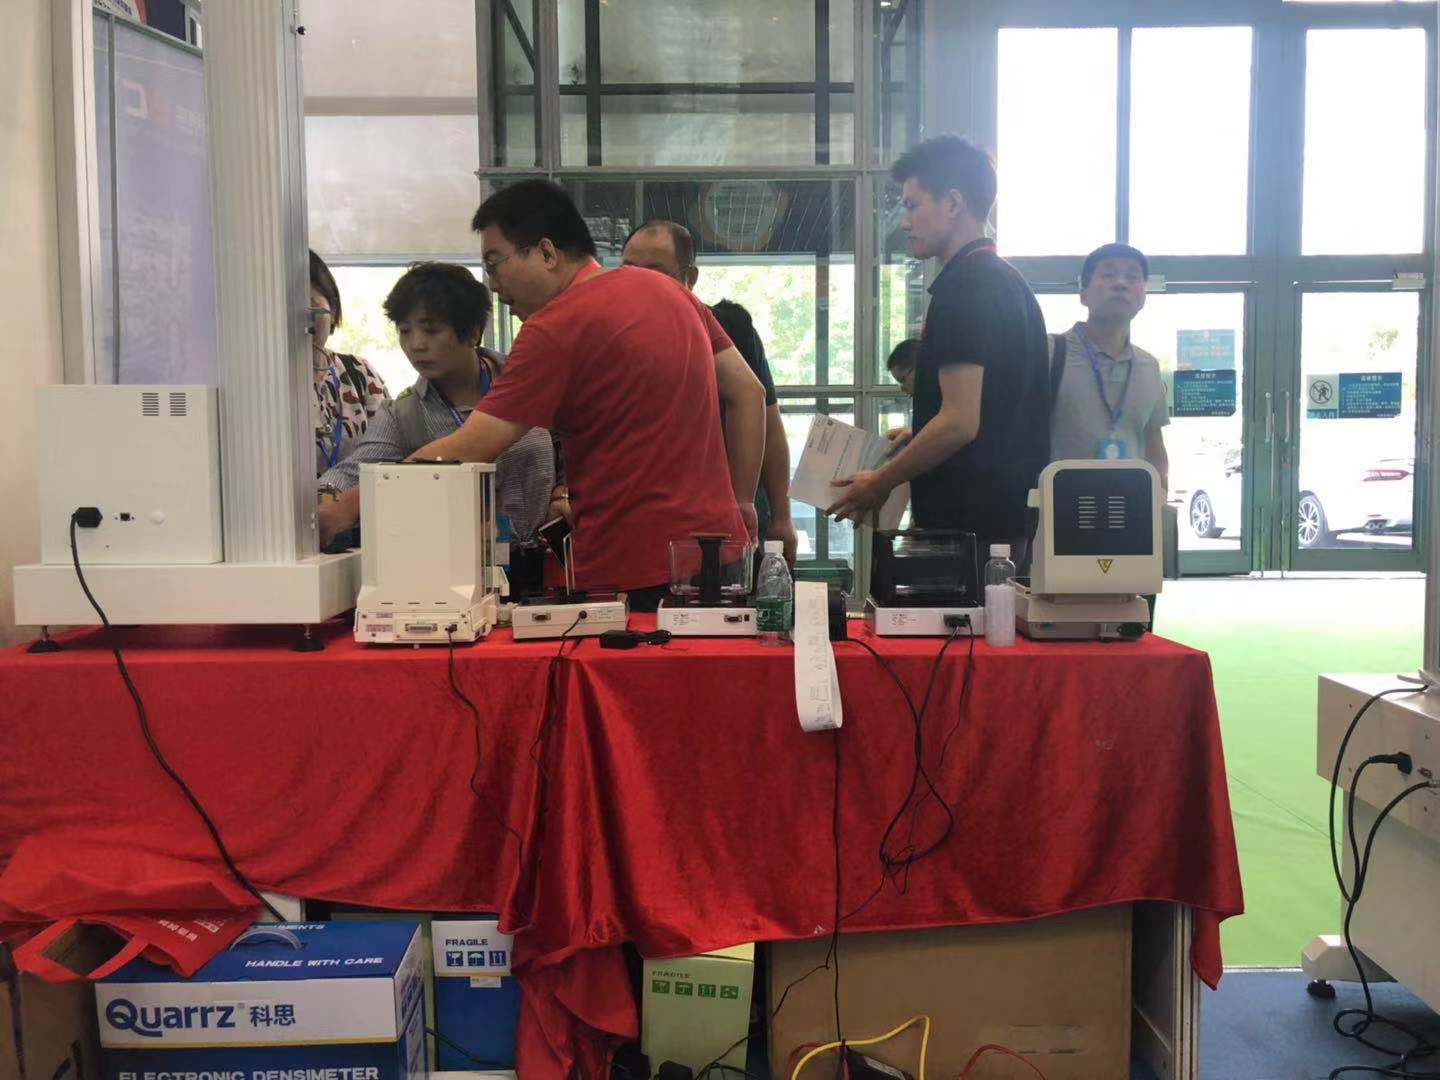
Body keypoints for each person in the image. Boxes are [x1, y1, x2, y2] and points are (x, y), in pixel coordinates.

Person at [407, 179, 767, 613]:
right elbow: (749, 391)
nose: (493, 286)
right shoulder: (670, 291)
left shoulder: (554, 327)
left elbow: (471, 447)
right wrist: (742, 501)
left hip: (635, 571)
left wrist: (365, 496)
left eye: (495, 263)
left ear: (546, 252)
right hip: (720, 555)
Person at [827, 136, 1050, 565]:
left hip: (967, 528)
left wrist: (880, 481)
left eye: (913, 206)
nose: (905, 222)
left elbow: (960, 422)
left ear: (952, 203)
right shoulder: (1009, 282)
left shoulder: (964, 285)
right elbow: (995, 409)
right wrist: (920, 434)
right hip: (1006, 522)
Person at [315, 263, 556, 594]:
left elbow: (576, 447)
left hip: (551, 571)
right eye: (404, 330)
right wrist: (327, 496)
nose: (416, 345)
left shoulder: (531, 381)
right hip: (455, 583)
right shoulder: (403, 415)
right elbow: (354, 470)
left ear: (472, 331)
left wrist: (562, 494)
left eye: (431, 330)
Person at [620, 220, 799, 565]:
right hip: (646, 522)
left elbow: (768, 422)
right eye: (628, 271)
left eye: (654, 272)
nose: (639, 284)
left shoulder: (729, 329)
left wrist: (781, 517)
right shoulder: (611, 336)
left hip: (729, 518)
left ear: (689, 277)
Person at [1049, 243, 1169, 492]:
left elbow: (1154, 447)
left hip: (1130, 507)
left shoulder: (1149, 366)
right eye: (1108, 274)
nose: (1121, 283)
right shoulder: (1049, 353)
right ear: (1083, 294)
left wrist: (1160, 497)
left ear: (1143, 297)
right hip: (1059, 506)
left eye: (1132, 277)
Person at [309, 250, 389, 477]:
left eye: (311, 307)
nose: (301, 320)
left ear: (333, 311)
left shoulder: (360, 373)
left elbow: (388, 452)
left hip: (357, 498)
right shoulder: (262, 387)